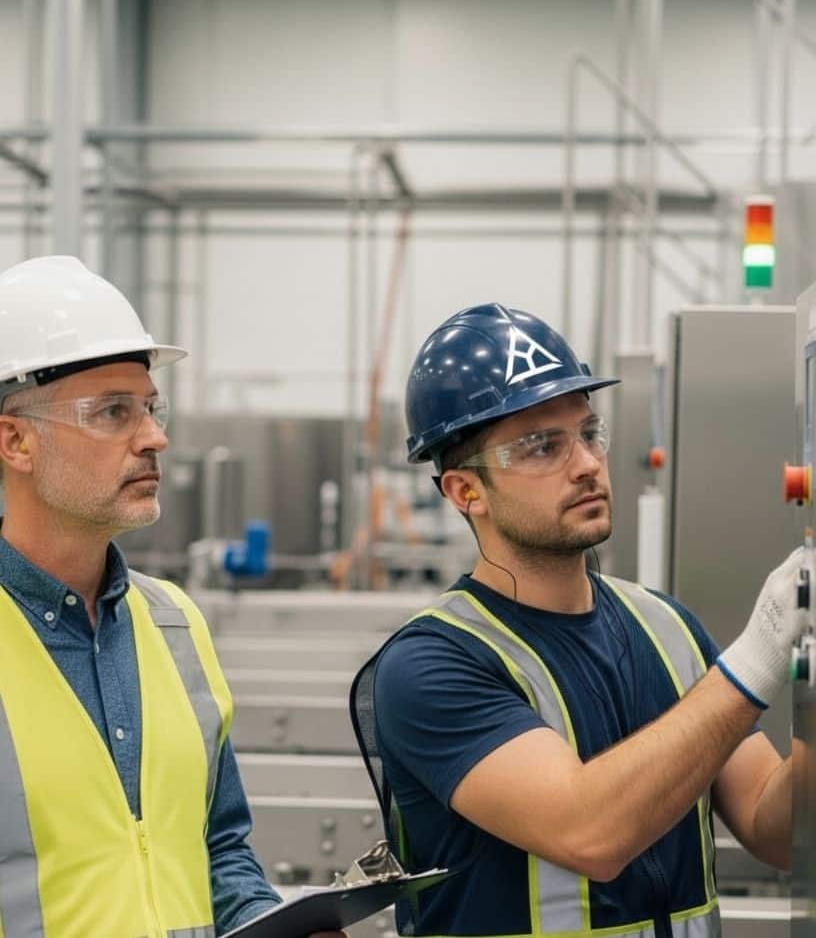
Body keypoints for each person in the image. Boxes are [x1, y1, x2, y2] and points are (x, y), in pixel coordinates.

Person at [351, 302, 805, 938]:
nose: (588, 464)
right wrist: (760, 653)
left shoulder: (667, 627)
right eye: (543, 446)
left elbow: (774, 828)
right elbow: (588, 831)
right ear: (465, 492)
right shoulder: (431, 665)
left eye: (589, 434)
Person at [0, 255, 334, 938]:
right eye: (113, 413)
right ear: (15, 442)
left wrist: (272, 922)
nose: (155, 437)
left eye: (149, 408)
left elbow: (220, 852)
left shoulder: (175, 623)